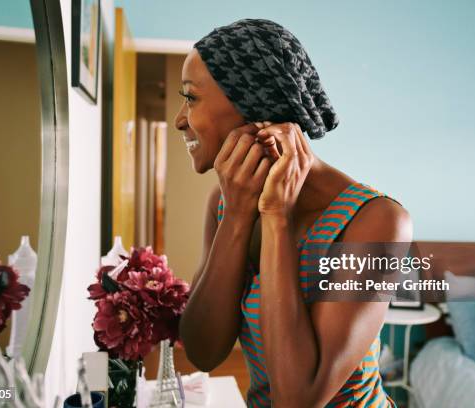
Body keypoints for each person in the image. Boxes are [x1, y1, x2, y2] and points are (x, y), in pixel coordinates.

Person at [176, 19, 411, 408]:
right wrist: (236, 217)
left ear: (251, 105)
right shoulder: (224, 202)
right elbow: (203, 352)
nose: (179, 119)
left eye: (191, 98)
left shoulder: (377, 220)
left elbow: (298, 400)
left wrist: (276, 218)